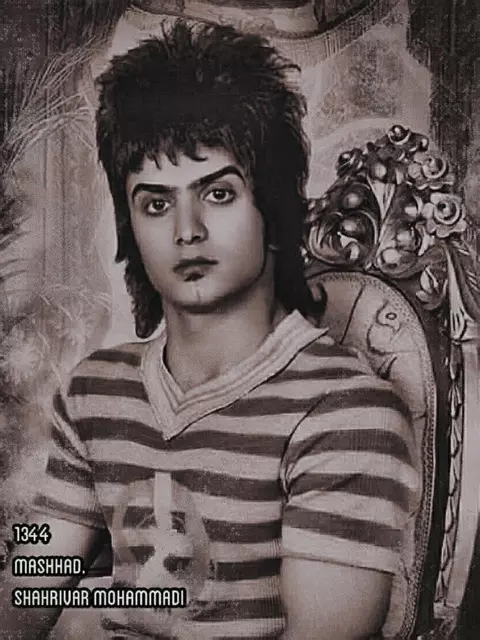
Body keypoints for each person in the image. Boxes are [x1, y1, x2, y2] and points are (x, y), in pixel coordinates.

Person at [1, 21, 419, 640]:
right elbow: (32, 584)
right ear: (130, 225)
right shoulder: (95, 391)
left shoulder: (348, 413)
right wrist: (59, 589)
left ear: (271, 203)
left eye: (218, 193)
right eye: (156, 203)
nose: (186, 231)